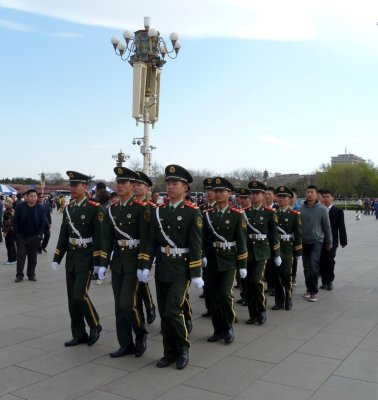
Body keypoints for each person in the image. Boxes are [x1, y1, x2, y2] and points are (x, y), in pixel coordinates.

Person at [141, 164, 203, 370]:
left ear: (185, 187)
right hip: (163, 267)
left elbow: (196, 244)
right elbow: (151, 241)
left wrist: (196, 273)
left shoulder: (192, 213)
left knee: (172, 310)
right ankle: (168, 352)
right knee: (163, 311)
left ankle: (183, 348)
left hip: (181, 269)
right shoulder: (159, 212)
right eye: (168, 183)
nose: (170, 187)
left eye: (175, 183)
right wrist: (145, 265)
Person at [52, 171, 106, 347]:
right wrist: (57, 257)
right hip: (72, 258)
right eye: (71, 185)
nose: (73, 188)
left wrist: (99, 263)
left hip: (87, 257)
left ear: (85, 187)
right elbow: (63, 235)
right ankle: (79, 333)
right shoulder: (69, 208)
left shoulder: (94, 208)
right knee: (71, 300)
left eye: (76, 185)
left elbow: (100, 237)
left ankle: (95, 324)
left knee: (79, 295)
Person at [103, 167, 149, 358]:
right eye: (118, 182)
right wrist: (101, 262)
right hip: (119, 262)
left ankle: (140, 333)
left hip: (134, 262)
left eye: (124, 183)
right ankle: (125, 343)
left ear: (132, 186)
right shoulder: (112, 210)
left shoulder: (141, 208)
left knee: (126, 303)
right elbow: (107, 238)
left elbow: (146, 239)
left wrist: (144, 264)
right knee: (118, 306)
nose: (120, 186)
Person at [203, 177, 247, 344]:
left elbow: (241, 241)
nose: (218, 194)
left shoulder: (237, 215)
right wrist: (202, 256)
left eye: (222, 191)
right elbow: (203, 239)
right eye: (216, 191)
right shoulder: (207, 215)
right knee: (213, 296)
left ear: (229, 194)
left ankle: (228, 326)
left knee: (224, 295)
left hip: (229, 261)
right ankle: (218, 329)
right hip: (212, 260)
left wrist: (242, 264)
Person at [244, 180, 281, 325]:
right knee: (248, 284)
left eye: (257, 193)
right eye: (252, 194)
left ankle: (262, 310)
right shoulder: (245, 213)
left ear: (263, 195)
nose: (254, 196)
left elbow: (274, 235)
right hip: (248, 252)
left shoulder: (269, 213)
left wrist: (276, 254)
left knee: (256, 281)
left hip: (262, 252)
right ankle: (253, 314)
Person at [299, 185, 332, 302]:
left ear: (316, 194)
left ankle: (313, 291)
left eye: (311, 192)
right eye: (307, 192)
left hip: (317, 241)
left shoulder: (322, 209)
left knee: (313, 265)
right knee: (306, 267)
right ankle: (309, 289)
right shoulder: (300, 209)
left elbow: (327, 227)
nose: (309, 194)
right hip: (303, 241)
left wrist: (329, 242)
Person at [133, 170, 157, 325]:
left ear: (147, 188)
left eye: (140, 184)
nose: (136, 187)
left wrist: (150, 256)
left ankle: (149, 306)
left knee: (141, 281)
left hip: (145, 250)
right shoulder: (129, 205)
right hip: (129, 251)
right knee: (137, 283)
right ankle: (147, 307)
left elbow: (151, 235)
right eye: (134, 184)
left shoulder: (151, 207)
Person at [272, 186, 302, 310]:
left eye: (284, 197)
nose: (281, 199)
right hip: (275, 247)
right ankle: (279, 300)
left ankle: (288, 297)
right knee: (276, 275)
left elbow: (298, 234)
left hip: (287, 247)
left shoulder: (294, 215)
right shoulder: (272, 213)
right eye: (279, 197)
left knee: (285, 274)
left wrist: (298, 251)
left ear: (289, 199)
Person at [13, 189, 46, 282]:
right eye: (31, 196)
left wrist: (40, 235)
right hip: (21, 236)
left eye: (35, 196)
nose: (33, 198)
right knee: (21, 256)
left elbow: (42, 222)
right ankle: (19, 275)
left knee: (33, 257)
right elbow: (15, 221)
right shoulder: (20, 206)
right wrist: (16, 235)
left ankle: (31, 274)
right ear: (27, 197)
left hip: (34, 237)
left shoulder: (41, 208)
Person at [319, 189, 347, 291]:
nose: (326, 199)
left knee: (329, 260)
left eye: (328, 197)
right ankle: (324, 281)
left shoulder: (338, 211)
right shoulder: (319, 210)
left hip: (333, 241)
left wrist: (343, 241)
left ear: (332, 198)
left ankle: (329, 281)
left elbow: (341, 227)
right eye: (324, 197)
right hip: (320, 240)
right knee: (321, 261)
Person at [199, 178, 217, 318]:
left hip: (220, 251)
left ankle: (221, 309)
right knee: (207, 281)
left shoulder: (222, 207)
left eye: (213, 190)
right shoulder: (201, 208)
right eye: (208, 191)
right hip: (206, 250)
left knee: (220, 287)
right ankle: (209, 308)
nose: (210, 193)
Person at [235, 187, 251, 306]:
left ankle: (250, 296)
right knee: (240, 276)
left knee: (250, 275)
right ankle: (244, 294)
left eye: (245, 198)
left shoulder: (251, 211)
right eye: (241, 198)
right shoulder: (237, 211)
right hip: (240, 247)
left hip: (251, 246)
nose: (242, 200)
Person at [264, 187, 279, 296]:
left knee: (274, 264)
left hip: (274, 241)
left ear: (274, 196)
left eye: (269, 194)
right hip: (263, 242)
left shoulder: (277, 209)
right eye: (266, 194)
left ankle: (274, 286)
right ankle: (269, 286)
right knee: (267, 265)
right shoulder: (261, 209)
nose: (267, 196)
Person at [2, 197, 17, 265]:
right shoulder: (11, 210)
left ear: (8, 204)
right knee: (12, 245)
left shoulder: (8, 211)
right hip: (12, 230)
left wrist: (5, 231)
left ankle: (11, 259)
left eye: (5, 203)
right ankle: (14, 258)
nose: (4, 204)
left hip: (9, 230)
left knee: (9, 245)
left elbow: (9, 222)